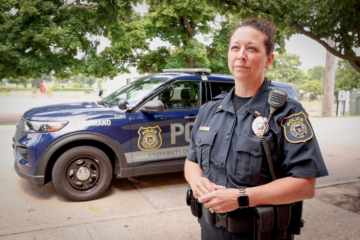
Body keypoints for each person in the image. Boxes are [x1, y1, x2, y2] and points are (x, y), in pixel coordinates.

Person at [184, 18, 328, 240]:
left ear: (269, 59)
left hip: (260, 234)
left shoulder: (287, 112)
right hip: (210, 230)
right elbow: (191, 161)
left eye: (251, 48)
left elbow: (305, 185)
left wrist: (241, 197)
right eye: (235, 47)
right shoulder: (209, 110)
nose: (241, 55)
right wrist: (196, 182)